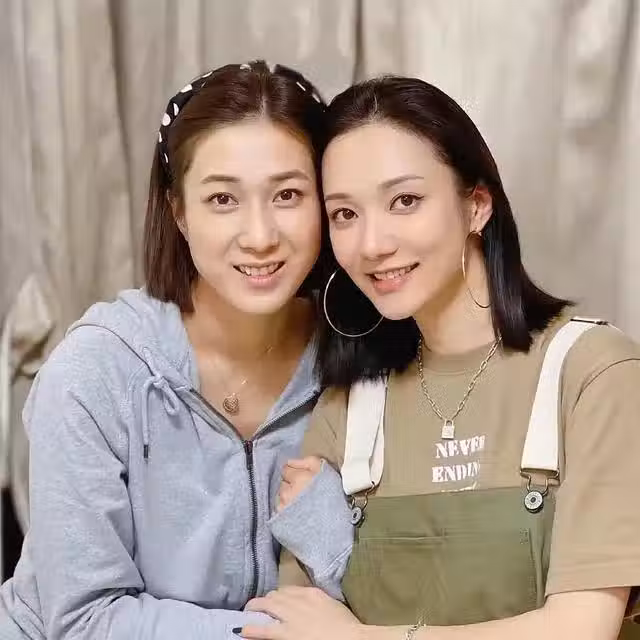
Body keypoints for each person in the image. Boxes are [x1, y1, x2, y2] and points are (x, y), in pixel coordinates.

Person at [235, 77, 640, 640]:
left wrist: (358, 638)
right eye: (345, 214)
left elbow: (581, 628)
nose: (373, 244)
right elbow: (293, 624)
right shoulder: (349, 404)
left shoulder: (593, 372)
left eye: (405, 201)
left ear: (476, 205)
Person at [0, 60, 330, 640]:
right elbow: (84, 621)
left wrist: (330, 532)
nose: (260, 235)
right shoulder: (95, 372)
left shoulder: (361, 364)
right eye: (222, 199)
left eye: (288, 194)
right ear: (178, 212)